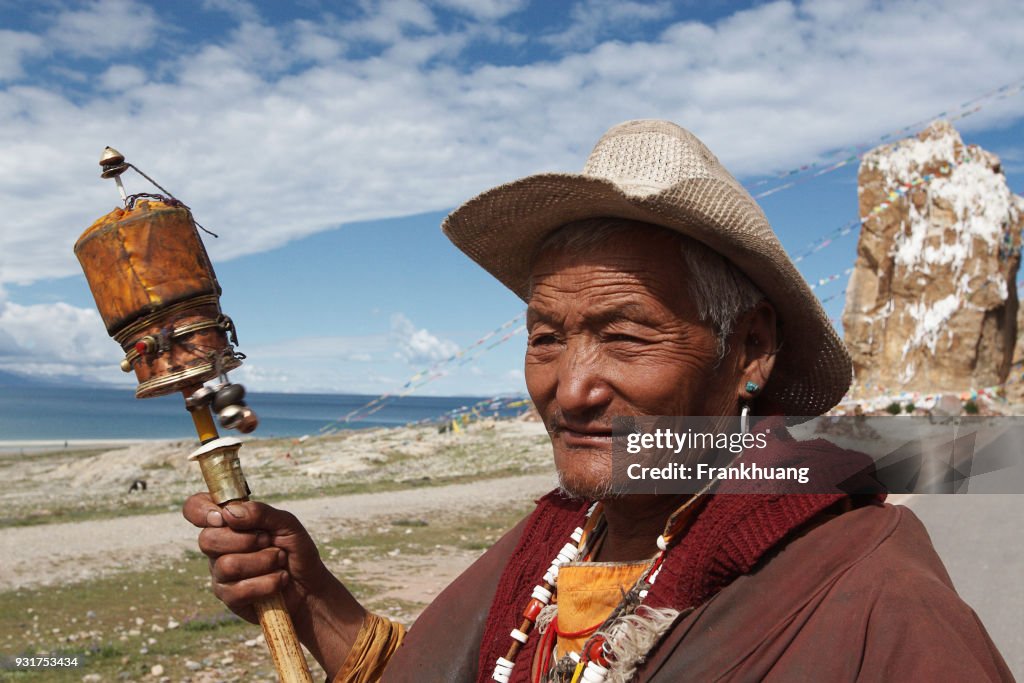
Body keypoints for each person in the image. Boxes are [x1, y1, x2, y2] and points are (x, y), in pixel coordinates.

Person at [183, 120, 1012, 682]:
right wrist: (311, 598)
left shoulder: (870, 592)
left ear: (749, 349)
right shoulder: (552, 541)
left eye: (624, 336)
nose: (569, 389)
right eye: (546, 337)